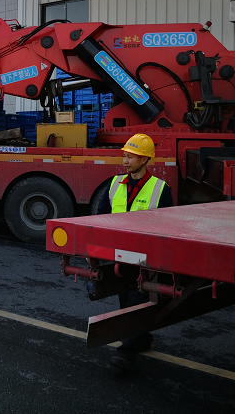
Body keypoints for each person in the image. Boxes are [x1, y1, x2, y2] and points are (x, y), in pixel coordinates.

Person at [96, 133, 173, 372]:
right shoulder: (114, 184)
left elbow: (168, 227)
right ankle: (142, 338)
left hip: (145, 257)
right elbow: (100, 217)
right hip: (118, 254)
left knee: (136, 300)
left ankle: (126, 352)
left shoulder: (161, 189)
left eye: (131, 157)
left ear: (145, 160)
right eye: (125, 156)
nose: (126, 161)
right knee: (125, 298)